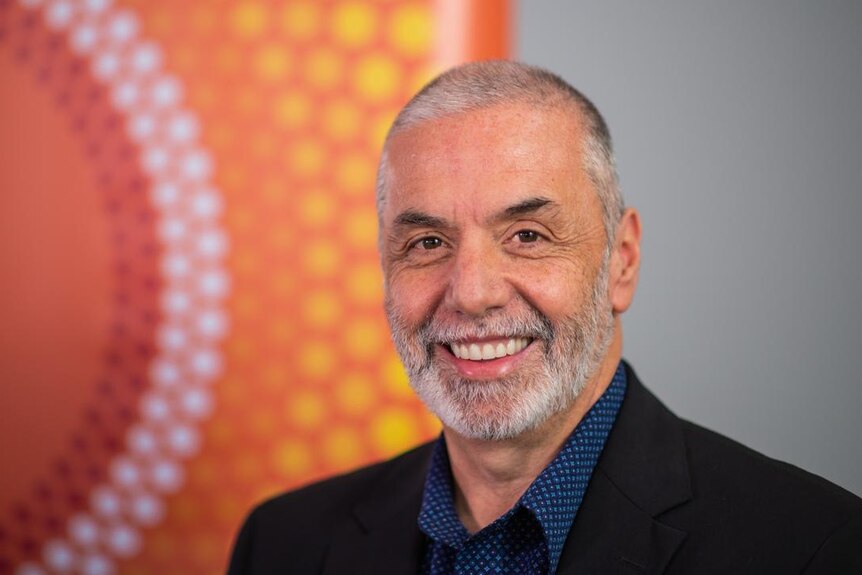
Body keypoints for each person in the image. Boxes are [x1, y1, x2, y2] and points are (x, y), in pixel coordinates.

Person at [227, 61, 862, 574]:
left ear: (622, 261)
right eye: (426, 244)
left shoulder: (814, 549)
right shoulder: (283, 546)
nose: (472, 294)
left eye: (527, 235)